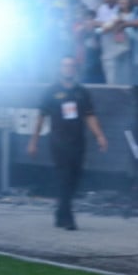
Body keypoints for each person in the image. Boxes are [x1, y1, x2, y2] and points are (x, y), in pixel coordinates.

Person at [29, 57, 109, 230]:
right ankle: (68, 217)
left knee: (74, 177)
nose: (69, 69)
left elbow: (90, 116)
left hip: (78, 140)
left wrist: (100, 136)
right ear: (60, 68)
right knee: (64, 176)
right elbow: (41, 117)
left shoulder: (82, 92)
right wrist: (33, 141)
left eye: (72, 66)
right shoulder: (51, 91)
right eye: (65, 66)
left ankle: (60, 212)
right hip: (59, 141)